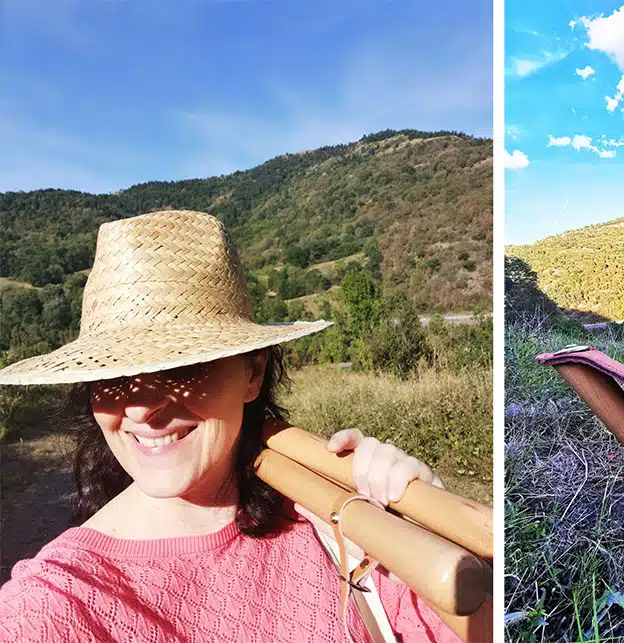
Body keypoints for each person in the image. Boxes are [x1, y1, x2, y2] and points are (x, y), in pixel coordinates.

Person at [0, 210, 460, 642]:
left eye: (179, 367)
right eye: (113, 378)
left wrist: (423, 532)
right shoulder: (55, 604)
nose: (140, 411)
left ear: (253, 373)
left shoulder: (332, 523)